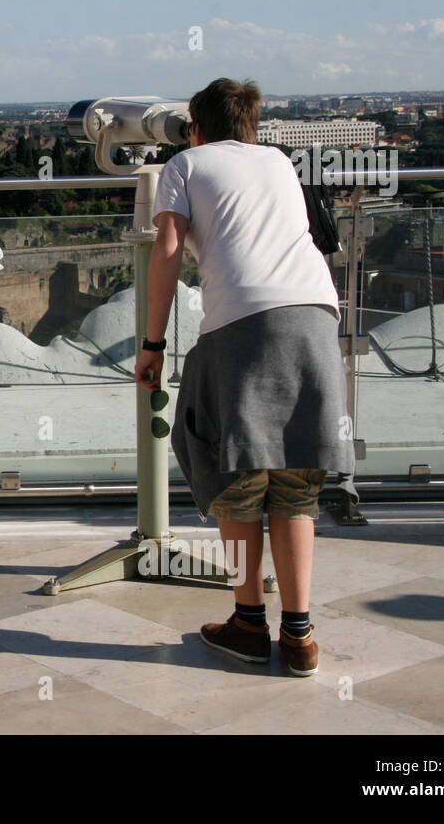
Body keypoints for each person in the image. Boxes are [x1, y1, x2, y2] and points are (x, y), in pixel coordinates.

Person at [133, 77, 354, 676]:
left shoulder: (185, 163)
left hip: (241, 322)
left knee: (232, 465)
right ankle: (301, 636)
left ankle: (249, 622)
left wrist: (152, 343)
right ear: (251, 125)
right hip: (315, 316)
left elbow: (168, 250)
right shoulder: (280, 161)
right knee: (295, 480)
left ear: (196, 127)